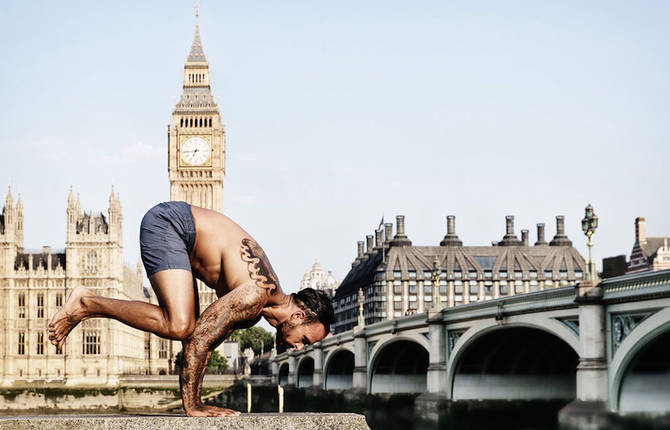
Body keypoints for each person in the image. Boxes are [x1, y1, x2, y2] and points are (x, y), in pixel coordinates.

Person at [48, 201, 334, 417]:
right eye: (305, 340)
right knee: (180, 324)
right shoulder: (255, 296)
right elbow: (196, 340)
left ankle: (87, 305)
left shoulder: (257, 309)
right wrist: (194, 406)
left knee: (185, 325)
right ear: (299, 315)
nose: (299, 349)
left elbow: (203, 342)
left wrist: (196, 400)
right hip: (169, 224)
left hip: (180, 236)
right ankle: (86, 302)